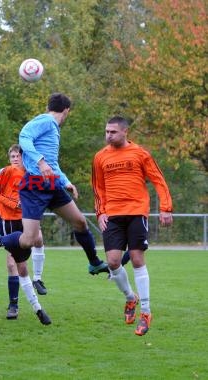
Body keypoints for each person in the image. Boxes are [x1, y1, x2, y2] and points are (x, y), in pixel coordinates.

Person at [0, 93, 108, 280]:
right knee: (29, 240)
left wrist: (65, 181)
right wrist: (41, 163)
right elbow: (24, 137)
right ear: (66, 110)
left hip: (51, 185)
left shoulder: (53, 129)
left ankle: (94, 263)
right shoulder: (46, 121)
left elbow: (52, 164)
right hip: (34, 185)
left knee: (80, 222)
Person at [92, 116, 173, 336]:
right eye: (106, 132)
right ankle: (130, 298)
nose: (108, 135)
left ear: (125, 132)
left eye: (113, 132)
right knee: (113, 262)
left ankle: (146, 312)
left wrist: (165, 208)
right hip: (112, 215)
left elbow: (158, 179)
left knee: (137, 258)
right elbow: (98, 187)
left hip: (137, 212)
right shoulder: (100, 157)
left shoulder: (140, 154)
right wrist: (100, 212)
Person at [0, 145, 48, 320]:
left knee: (13, 263)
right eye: (12, 156)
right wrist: (5, 203)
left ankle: (15, 303)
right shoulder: (4, 172)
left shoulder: (31, 173)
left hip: (18, 221)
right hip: (0, 219)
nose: (15, 158)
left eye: (18, 156)